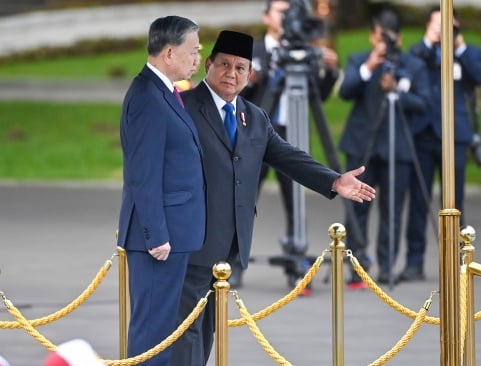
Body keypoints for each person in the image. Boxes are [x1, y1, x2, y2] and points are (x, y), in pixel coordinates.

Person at [169, 30, 375, 366]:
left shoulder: (254, 117)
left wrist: (335, 181)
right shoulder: (184, 107)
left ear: (250, 75)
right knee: (184, 333)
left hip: (227, 246)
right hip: (188, 242)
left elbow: (289, 157)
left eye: (240, 68)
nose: (231, 74)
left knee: (206, 331)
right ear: (208, 65)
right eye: (223, 64)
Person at [115, 16, 204, 366]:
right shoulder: (146, 97)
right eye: (192, 51)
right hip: (159, 240)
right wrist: (155, 235)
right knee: (152, 336)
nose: (198, 58)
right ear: (169, 53)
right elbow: (143, 173)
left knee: (164, 334)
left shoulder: (163, 91)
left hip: (174, 234)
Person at [240, 0, 341, 277]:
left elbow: (317, 95)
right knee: (244, 197)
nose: (286, 18)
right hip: (254, 132)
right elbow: (235, 96)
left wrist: (330, 72)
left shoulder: (306, 52)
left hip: (290, 133)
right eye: (280, 12)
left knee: (295, 196)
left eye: (290, 12)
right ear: (266, 17)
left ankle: (297, 258)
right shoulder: (254, 51)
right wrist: (250, 79)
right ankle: (234, 262)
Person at [338, 8, 430, 287]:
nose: (383, 43)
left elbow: (423, 103)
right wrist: (370, 65)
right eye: (379, 37)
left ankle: (387, 266)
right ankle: (357, 267)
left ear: (398, 38)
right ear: (371, 36)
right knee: (357, 209)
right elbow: (345, 92)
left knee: (392, 210)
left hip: (396, 148)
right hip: (362, 145)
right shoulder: (358, 60)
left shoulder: (411, 66)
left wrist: (397, 92)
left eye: (388, 38)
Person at [401, 6, 481, 281]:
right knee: (418, 199)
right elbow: (407, 76)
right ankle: (414, 261)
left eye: (448, 25)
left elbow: (480, 77)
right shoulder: (416, 53)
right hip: (423, 134)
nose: (442, 30)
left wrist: (457, 44)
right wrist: (431, 41)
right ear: (428, 25)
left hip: (455, 135)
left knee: (455, 201)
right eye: (438, 24)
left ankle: (459, 259)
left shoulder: (468, 53)